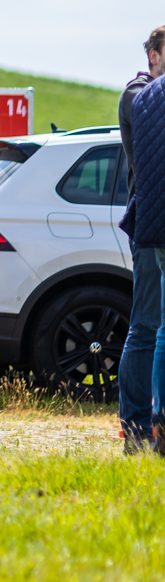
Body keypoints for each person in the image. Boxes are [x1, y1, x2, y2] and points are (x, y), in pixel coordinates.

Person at [119, 27, 165, 451]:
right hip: (151, 223)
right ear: (154, 55)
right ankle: (135, 427)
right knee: (147, 325)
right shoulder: (137, 93)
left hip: (154, 222)